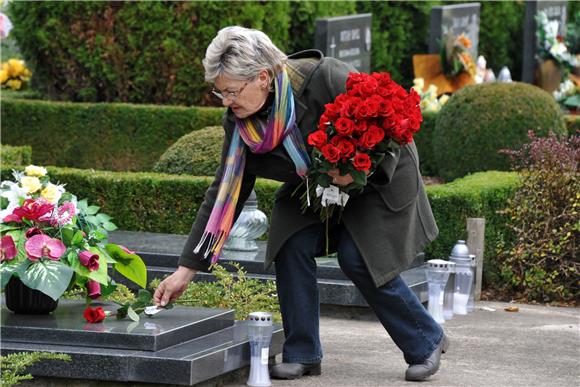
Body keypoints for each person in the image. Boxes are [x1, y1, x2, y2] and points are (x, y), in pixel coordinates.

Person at [153, 26, 448, 382]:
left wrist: (356, 171)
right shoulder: (240, 123)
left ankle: (425, 340)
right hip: (316, 184)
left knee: (358, 257)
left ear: (262, 78)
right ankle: (303, 352)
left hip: (378, 180)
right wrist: (186, 270)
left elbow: (391, 129)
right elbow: (225, 193)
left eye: (231, 91)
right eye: (220, 91)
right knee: (290, 242)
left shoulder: (324, 78)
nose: (226, 101)